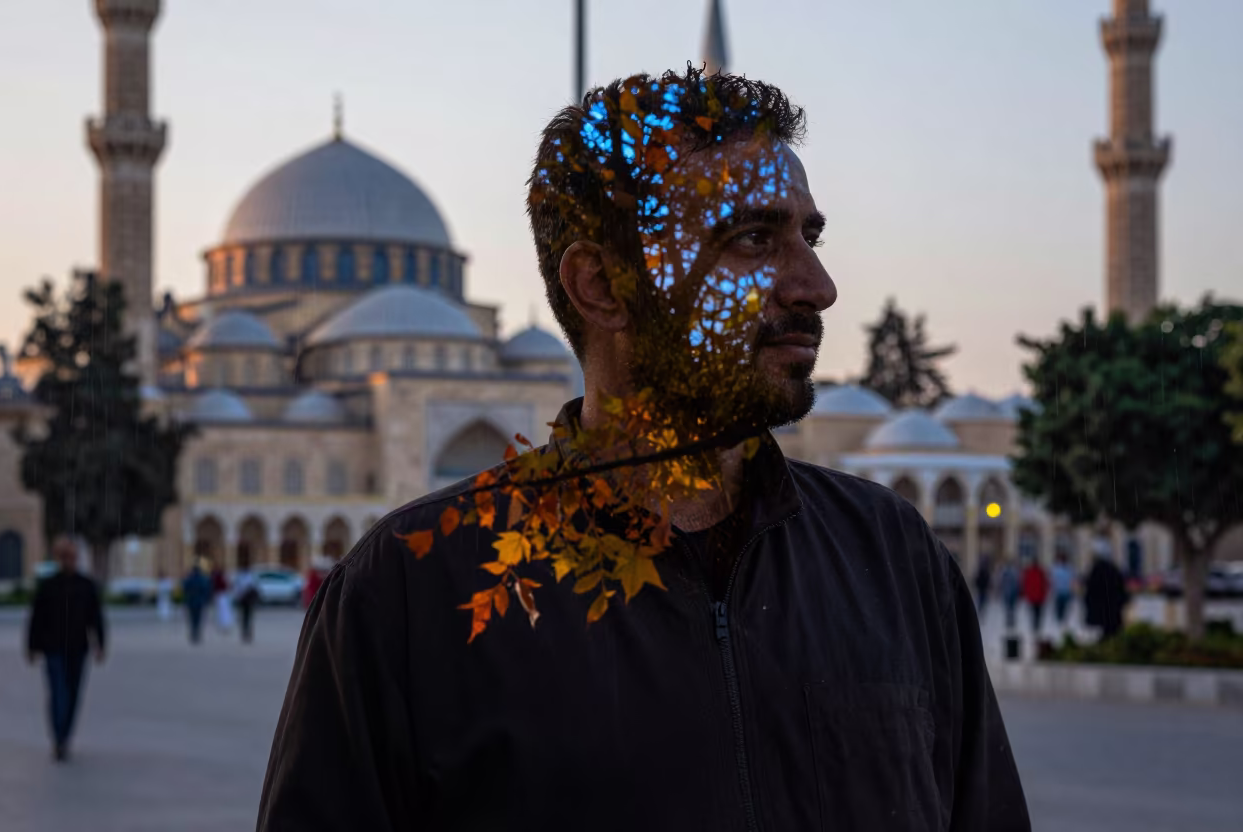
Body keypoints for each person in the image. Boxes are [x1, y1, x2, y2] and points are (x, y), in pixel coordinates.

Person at [258, 68, 1029, 831]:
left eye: (809, 236)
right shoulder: (410, 592)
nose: (817, 285)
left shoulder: (890, 561)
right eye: (753, 238)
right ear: (601, 285)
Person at [25, 537, 105, 762]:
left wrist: (100, 644)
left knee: (73, 695)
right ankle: (58, 739)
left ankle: (65, 736)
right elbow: (36, 619)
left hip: (79, 648)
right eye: (65, 557)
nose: (70, 561)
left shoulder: (86, 585)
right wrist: (32, 647)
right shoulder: (48, 586)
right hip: (53, 649)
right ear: (59, 559)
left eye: (72, 557)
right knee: (58, 693)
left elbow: (96, 617)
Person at [1084, 536, 1129, 639]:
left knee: (1105, 635)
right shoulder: (1114, 569)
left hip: (1102, 611)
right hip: (1113, 611)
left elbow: (1091, 591)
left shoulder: (1096, 570)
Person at [181, 560, 212, 645]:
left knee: (192, 618)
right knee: (198, 618)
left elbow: (184, 588)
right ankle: (197, 633)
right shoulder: (203, 579)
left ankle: (193, 633)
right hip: (199, 601)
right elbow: (206, 590)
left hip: (191, 601)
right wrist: (206, 599)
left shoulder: (189, 578)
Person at [232, 558, 259, 644]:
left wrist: (237, 597)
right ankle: (247, 632)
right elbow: (254, 586)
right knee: (248, 616)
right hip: (247, 599)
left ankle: (245, 632)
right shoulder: (250, 576)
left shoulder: (241, 576)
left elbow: (237, 588)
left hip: (243, 599)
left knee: (245, 616)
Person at [1022, 558, 1050, 637]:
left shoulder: (1029, 572)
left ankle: (1035, 625)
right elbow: (1045, 584)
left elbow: (1026, 584)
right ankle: (1037, 625)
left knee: (1034, 612)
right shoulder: (1041, 572)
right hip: (1039, 596)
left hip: (1032, 596)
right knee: (1038, 612)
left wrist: (1026, 594)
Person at [1051, 552, 1075, 630]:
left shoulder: (1059, 569)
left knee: (1062, 607)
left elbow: (1053, 580)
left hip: (1063, 591)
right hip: (1062, 591)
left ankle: (1061, 620)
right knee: (1061, 607)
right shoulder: (1061, 568)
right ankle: (1061, 620)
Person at [999, 558, 1022, 631]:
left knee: (1008, 608)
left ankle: (1009, 621)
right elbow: (1017, 583)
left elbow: (1001, 582)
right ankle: (1011, 621)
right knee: (1011, 608)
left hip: (1007, 592)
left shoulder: (1005, 572)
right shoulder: (1014, 572)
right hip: (1012, 592)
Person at [212, 563, 234, 634]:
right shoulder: (219, 577)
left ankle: (224, 625)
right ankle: (224, 624)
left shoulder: (218, 577)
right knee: (223, 611)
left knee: (223, 611)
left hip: (221, 595)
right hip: (221, 594)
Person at [974, 554, 993, 619]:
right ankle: (981, 612)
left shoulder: (982, 571)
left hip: (982, 588)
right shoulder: (983, 571)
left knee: (982, 601)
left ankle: (981, 612)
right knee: (982, 601)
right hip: (982, 589)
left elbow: (978, 580)